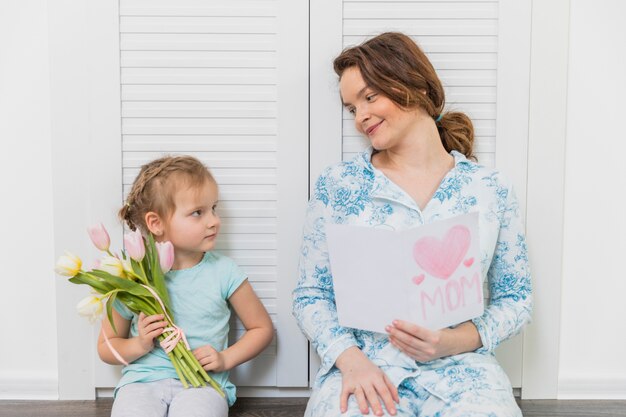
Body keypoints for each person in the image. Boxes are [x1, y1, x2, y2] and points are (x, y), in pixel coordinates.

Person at [293, 32, 532, 417]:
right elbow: (310, 295)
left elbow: (516, 300)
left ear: (414, 85)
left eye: (370, 97)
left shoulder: (490, 188)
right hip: (362, 368)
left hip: (464, 372)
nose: (360, 117)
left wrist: (454, 342)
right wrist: (351, 361)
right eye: (351, 108)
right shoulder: (337, 186)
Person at [99, 155, 274, 417]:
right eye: (197, 213)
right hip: (141, 382)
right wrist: (140, 344)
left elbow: (261, 328)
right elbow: (106, 346)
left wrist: (226, 358)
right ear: (156, 223)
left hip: (202, 383)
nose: (213, 220)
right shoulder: (134, 278)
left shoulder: (224, 272)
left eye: (214, 208)